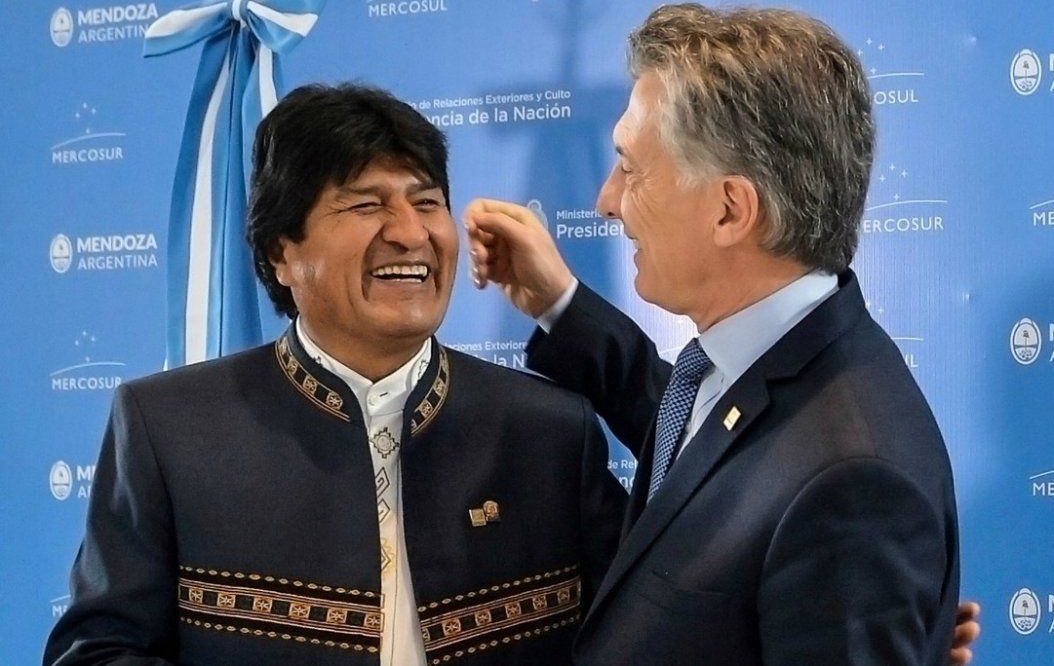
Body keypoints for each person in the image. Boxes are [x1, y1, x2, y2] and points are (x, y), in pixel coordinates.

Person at [44, 83, 627, 666]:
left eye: (427, 202)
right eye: (366, 205)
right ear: (282, 251)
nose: (410, 233)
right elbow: (96, 654)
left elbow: (638, 632)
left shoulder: (548, 429)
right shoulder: (170, 428)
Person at [467, 3, 965, 664]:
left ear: (729, 210)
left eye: (631, 168)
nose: (606, 202)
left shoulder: (853, 485)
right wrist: (558, 303)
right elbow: (704, 451)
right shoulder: (766, 371)